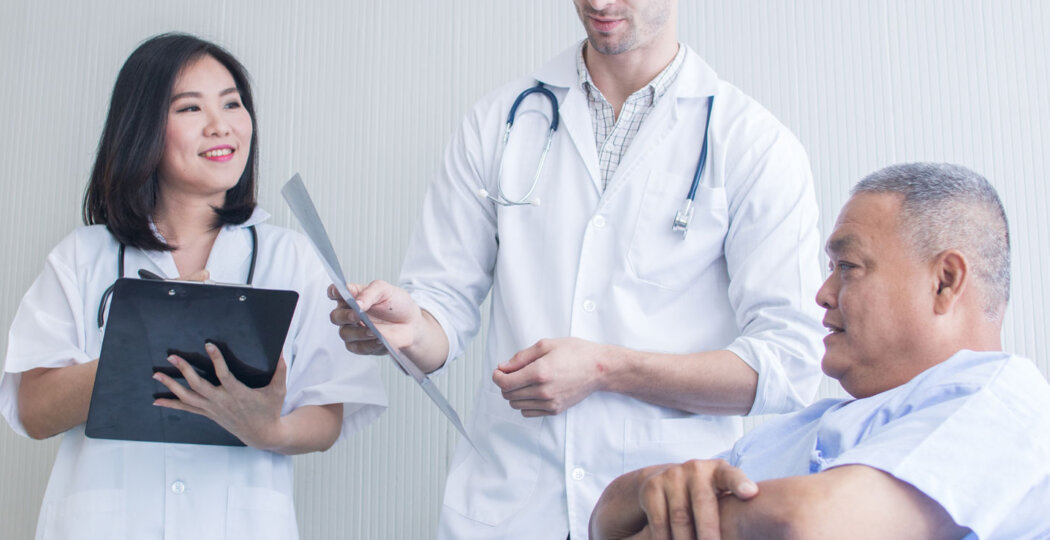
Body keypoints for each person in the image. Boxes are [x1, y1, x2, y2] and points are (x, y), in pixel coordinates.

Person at [328, 1, 824, 537]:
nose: (600, 3)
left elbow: (790, 363)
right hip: (510, 505)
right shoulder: (500, 120)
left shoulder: (753, 143)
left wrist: (607, 369)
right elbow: (440, 312)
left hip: (663, 514)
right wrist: (410, 326)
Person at [0, 33, 386, 540]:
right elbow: (34, 410)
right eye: (189, 108)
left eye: (232, 103)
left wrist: (268, 430)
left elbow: (328, 413)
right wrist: (143, 342)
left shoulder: (290, 257)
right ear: (142, 130)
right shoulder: (82, 256)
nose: (221, 125)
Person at [589, 163, 1050, 540]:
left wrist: (679, 514)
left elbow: (808, 524)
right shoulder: (800, 429)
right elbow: (607, 520)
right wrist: (653, 486)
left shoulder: (1006, 402)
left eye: (847, 267)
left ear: (944, 281)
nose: (823, 293)